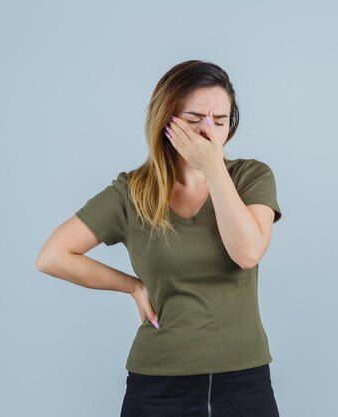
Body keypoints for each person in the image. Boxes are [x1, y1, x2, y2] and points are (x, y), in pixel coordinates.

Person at [36, 59, 283, 417]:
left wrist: (213, 168)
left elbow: (247, 252)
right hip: (159, 385)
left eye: (220, 121)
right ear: (167, 120)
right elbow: (52, 256)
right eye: (195, 120)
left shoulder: (251, 177)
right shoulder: (131, 191)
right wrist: (133, 287)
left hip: (244, 383)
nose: (209, 132)